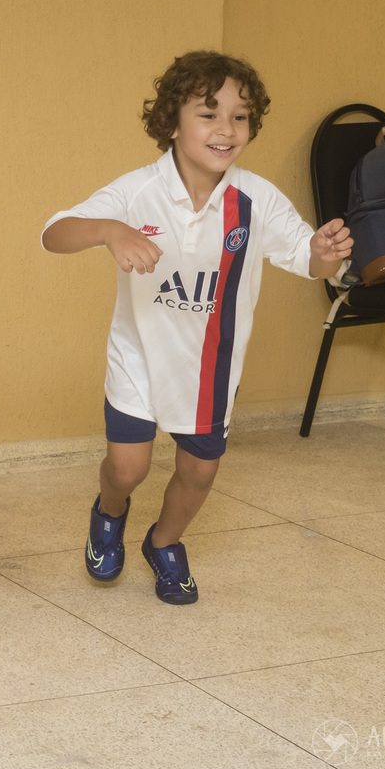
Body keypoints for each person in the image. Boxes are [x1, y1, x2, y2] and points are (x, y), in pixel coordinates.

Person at [41, 51, 352, 605]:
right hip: (138, 356)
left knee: (200, 474)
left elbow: (309, 261)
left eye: (240, 116)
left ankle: (163, 544)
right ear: (172, 122)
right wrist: (110, 230)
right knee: (126, 466)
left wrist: (326, 254)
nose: (226, 129)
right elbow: (55, 233)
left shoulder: (256, 199)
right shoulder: (138, 191)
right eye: (208, 113)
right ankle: (108, 514)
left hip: (212, 365)